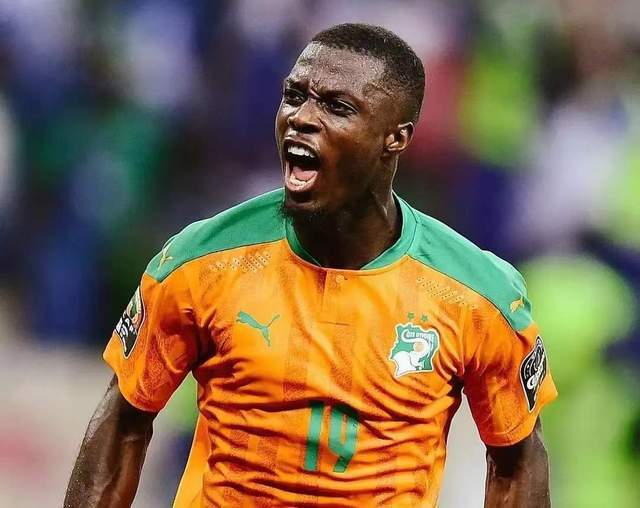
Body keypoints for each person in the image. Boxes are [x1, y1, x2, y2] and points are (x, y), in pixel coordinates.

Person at [65, 23, 557, 507]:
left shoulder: (476, 295)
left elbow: (516, 461)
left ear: (396, 138)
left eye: (337, 107)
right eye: (294, 96)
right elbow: (125, 421)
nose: (300, 117)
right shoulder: (200, 262)